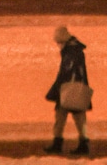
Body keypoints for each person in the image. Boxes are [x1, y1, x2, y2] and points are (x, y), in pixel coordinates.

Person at [44, 25, 91, 155]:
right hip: (77, 88)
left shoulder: (71, 52)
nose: (58, 45)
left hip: (69, 89)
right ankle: (83, 143)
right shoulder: (75, 50)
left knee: (62, 116)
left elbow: (66, 72)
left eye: (58, 42)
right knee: (78, 117)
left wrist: (56, 89)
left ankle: (58, 143)